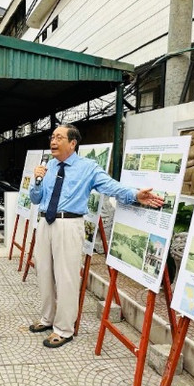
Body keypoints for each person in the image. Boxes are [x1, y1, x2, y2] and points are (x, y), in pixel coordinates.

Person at [29, 124, 164, 348]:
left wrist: (134, 194)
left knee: (66, 277)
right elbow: (36, 199)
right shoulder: (49, 166)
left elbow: (111, 187)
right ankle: (47, 319)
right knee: (43, 272)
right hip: (45, 222)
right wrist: (36, 180)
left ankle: (63, 329)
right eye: (52, 137)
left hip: (69, 224)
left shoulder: (88, 167)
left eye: (59, 137)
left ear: (72, 143)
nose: (53, 141)